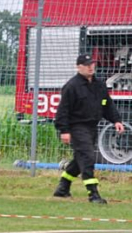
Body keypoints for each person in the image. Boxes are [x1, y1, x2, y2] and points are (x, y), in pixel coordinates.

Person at [53, 53, 125, 203]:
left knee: (80, 159)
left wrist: (116, 120)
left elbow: (107, 105)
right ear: (78, 67)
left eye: (92, 64)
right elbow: (62, 111)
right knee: (87, 158)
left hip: (92, 127)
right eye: (87, 65)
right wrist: (64, 130)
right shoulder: (72, 86)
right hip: (77, 127)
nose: (91, 67)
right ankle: (93, 194)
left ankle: (63, 188)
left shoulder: (99, 85)